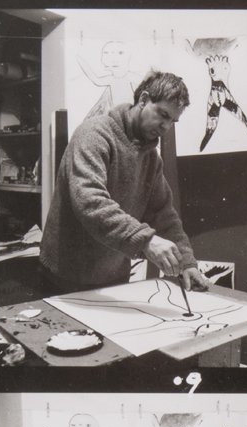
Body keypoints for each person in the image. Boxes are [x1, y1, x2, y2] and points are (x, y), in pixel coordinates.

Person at [40, 71, 211, 295]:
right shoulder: (94, 135)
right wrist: (146, 242)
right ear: (143, 100)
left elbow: (163, 215)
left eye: (172, 121)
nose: (166, 126)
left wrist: (187, 263)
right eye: (163, 114)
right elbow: (90, 203)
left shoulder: (150, 158)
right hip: (67, 275)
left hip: (113, 276)